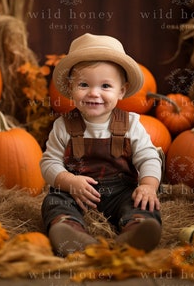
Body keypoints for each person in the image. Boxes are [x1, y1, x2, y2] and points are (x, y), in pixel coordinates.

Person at [40, 33, 162, 257]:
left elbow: (149, 157)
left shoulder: (131, 123)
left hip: (120, 192)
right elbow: (49, 162)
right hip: (77, 192)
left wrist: (148, 185)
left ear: (121, 91)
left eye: (105, 86)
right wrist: (69, 181)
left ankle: (137, 230)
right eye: (84, 84)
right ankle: (69, 230)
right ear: (71, 87)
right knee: (54, 200)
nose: (94, 93)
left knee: (142, 202)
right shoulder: (63, 125)